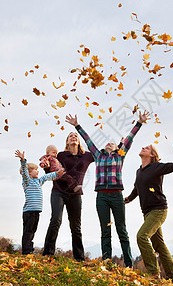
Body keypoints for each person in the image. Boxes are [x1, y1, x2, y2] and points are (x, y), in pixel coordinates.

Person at [66, 111, 151, 267]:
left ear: (116, 147)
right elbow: (88, 140)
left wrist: (139, 123)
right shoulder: (98, 155)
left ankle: (128, 264)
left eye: (112, 143)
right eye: (107, 143)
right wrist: (77, 125)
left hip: (117, 196)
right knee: (105, 232)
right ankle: (107, 263)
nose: (109, 143)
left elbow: (129, 139)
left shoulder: (120, 156)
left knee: (122, 231)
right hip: (102, 198)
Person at [125, 145, 173, 281]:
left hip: (158, 210)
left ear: (152, 155)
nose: (143, 147)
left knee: (142, 236)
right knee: (159, 246)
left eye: (147, 148)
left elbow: (171, 167)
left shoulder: (156, 167)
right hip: (147, 212)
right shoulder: (139, 171)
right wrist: (128, 199)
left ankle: (154, 273)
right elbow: (136, 189)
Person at [42, 133, 94, 261]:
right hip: (58, 191)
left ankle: (79, 258)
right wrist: (46, 167)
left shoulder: (87, 156)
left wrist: (118, 147)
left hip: (75, 194)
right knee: (56, 220)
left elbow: (98, 153)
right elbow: (51, 169)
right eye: (70, 136)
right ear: (67, 142)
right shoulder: (61, 155)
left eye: (75, 135)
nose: (73, 137)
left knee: (76, 227)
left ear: (79, 141)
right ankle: (48, 254)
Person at [15, 149, 64, 255]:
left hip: (36, 212)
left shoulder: (38, 181)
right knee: (28, 232)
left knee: (32, 232)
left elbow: (46, 177)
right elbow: (24, 172)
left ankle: (30, 250)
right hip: (29, 212)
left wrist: (56, 173)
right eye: (36, 170)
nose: (38, 171)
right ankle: (26, 252)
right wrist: (23, 160)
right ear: (29, 173)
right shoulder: (27, 181)